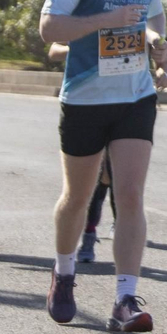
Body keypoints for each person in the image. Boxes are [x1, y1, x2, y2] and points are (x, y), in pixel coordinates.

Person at [38, 0, 167, 332]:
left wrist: (155, 44)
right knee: (77, 197)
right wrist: (103, 21)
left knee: (130, 195)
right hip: (85, 98)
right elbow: (49, 28)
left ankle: (124, 299)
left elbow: (152, 19)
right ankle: (63, 272)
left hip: (134, 97)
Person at [47, 40, 117, 265]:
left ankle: (114, 228)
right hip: (88, 101)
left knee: (112, 175)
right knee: (100, 176)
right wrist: (79, 47)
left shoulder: (130, 13)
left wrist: (162, 67)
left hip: (124, 101)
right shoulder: (83, 15)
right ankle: (88, 235)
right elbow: (53, 50)